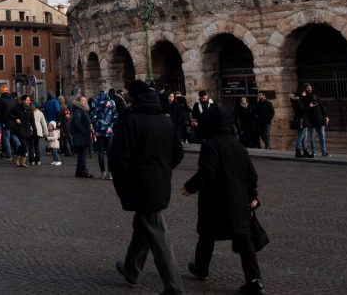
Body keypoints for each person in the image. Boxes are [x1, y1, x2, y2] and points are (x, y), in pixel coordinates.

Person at [110, 80, 185, 295]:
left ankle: (174, 287)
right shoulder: (165, 121)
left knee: (158, 236)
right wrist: (163, 170)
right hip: (160, 183)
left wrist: (125, 183)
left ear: (133, 98)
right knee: (142, 228)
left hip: (139, 186)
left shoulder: (130, 121)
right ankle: (131, 270)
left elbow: (118, 158)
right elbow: (178, 154)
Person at [182, 105, 263, 294]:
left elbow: (207, 174)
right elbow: (252, 175)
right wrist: (253, 197)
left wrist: (189, 187)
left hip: (216, 201)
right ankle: (254, 279)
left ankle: (202, 268)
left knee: (207, 235)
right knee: (244, 241)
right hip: (238, 202)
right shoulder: (239, 146)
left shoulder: (210, 145)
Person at [90, 89, 118, 180]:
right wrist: (111, 123)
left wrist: (97, 123)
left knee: (101, 151)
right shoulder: (111, 102)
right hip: (109, 129)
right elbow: (115, 115)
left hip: (99, 130)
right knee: (110, 152)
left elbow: (93, 116)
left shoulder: (96, 102)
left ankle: (103, 172)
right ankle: (110, 173)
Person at [302, 83, 329, 157]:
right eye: (307, 88)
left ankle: (324, 152)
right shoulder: (304, 98)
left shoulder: (315, 96)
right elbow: (304, 109)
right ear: (305, 89)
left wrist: (326, 116)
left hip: (319, 119)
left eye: (310, 87)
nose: (310, 89)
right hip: (311, 120)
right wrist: (305, 98)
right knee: (312, 137)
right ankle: (314, 152)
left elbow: (322, 106)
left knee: (322, 136)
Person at [71, 95, 93, 178]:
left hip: (84, 136)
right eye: (83, 100)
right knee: (82, 155)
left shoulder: (83, 110)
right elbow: (77, 124)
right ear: (79, 102)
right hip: (81, 136)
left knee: (82, 154)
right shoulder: (78, 111)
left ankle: (80, 171)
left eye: (85, 100)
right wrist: (85, 131)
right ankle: (82, 171)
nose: (85, 102)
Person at [290, 89, 307, 158]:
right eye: (303, 92)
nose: (304, 93)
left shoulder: (296, 100)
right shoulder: (298, 101)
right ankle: (298, 152)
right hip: (301, 120)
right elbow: (302, 110)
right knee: (300, 136)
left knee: (302, 136)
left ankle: (303, 151)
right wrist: (309, 106)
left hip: (300, 119)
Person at [30, 99, 47, 166]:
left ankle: (32, 160)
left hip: (32, 130)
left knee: (31, 146)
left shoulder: (30, 112)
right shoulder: (41, 113)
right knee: (36, 146)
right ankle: (38, 160)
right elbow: (44, 124)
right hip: (39, 131)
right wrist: (46, 133)